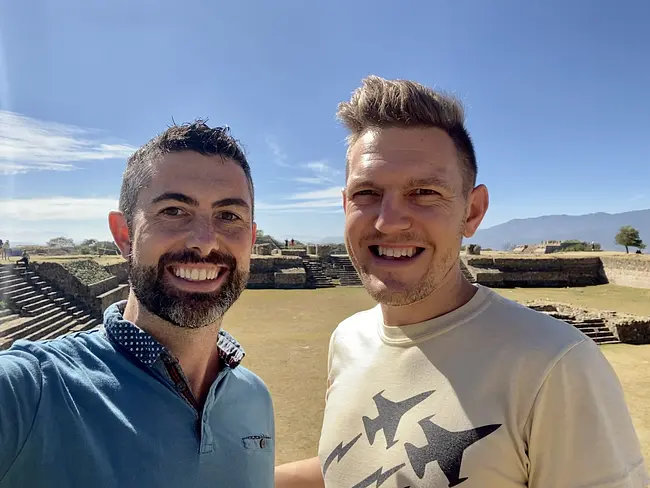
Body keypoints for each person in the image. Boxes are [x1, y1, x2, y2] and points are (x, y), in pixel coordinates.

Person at [276, 76, 648, 487]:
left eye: (424, 192)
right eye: (367, 193)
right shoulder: (347, 340)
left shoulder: (554, 365)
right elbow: (354, 465)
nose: (388, 221)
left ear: (472, 212)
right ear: (345, 205)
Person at [0, 121, 275, 487]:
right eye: (174, 210)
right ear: (124, 234)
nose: (206, 242)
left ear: (251, 239)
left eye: (229, 216)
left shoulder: (253, 397)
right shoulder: (30, 391)